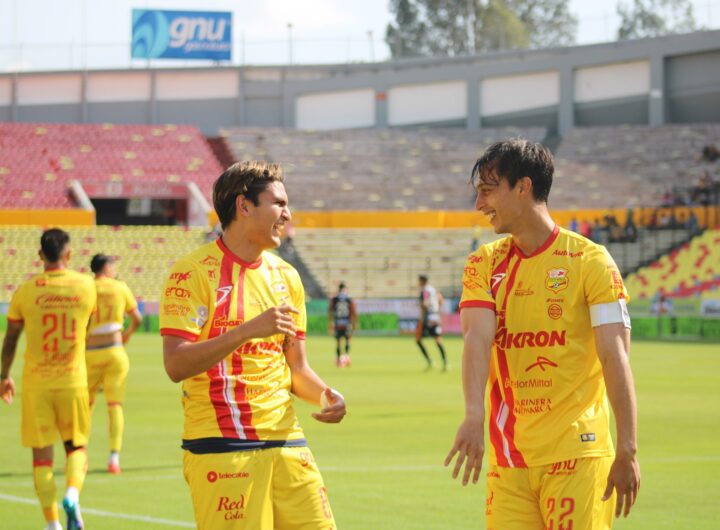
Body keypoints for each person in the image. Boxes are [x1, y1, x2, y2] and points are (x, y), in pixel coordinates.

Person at [445, 139, 640, 530]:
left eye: (487, 191)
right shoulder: (483, 264)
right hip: (509, 461)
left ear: (523, 187)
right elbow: (477, 338)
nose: (479, 204)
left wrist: (628, 447)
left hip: (578, 454)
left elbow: (614, 354)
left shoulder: (590, 261)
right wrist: (473, 415)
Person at [160, 161, 346, 530]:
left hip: (288, 442)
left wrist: (327, 395)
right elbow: (175, 365)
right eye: (279, 203)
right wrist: (246, 331)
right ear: (243, 206)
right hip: (223, 448)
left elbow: (297, 369)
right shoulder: (192, 272)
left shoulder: (286, 277)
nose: (287, 214)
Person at [1, 228, 96, 530]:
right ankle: (72, 495)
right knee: (76, 448)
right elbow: (87, 326)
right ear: (69, 254)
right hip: (73, 381)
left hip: (37, 384)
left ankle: (52, 524)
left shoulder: (26, 291)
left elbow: (10, 340)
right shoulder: (86, 286)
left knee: (41, 459)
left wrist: (3, 376)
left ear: (40, 255)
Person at [86, 253, 143, 474]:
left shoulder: (87, 287)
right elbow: (137, 318)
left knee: (85, 407)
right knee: (115, 406)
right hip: (115, 351)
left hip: (90, 353)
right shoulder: (120, 287)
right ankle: (114, 459)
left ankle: (80, 455)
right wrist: (126, 334)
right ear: (107, 267)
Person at [415, 275, 448, 371]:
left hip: (427, 317)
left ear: (422, 281)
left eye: (419, 281)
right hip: (435, 317)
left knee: (418, 340)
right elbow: (440, 300)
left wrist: (422, 317)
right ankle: (445, 363)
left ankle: (430, 362)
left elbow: (425, 304)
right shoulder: (434, 290)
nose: (418, 283)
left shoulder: (424, 291)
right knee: (438, 340)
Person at [328, 282, 358, 367]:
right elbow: (353, 311)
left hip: (338, 323)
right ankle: (346, 357)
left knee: (338, 342)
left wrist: (330, 323)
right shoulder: (349, 299)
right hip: (347, 323)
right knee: (348, 340)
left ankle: (338, 360)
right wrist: (354, 323)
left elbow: (330, 311)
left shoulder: (334, 299)